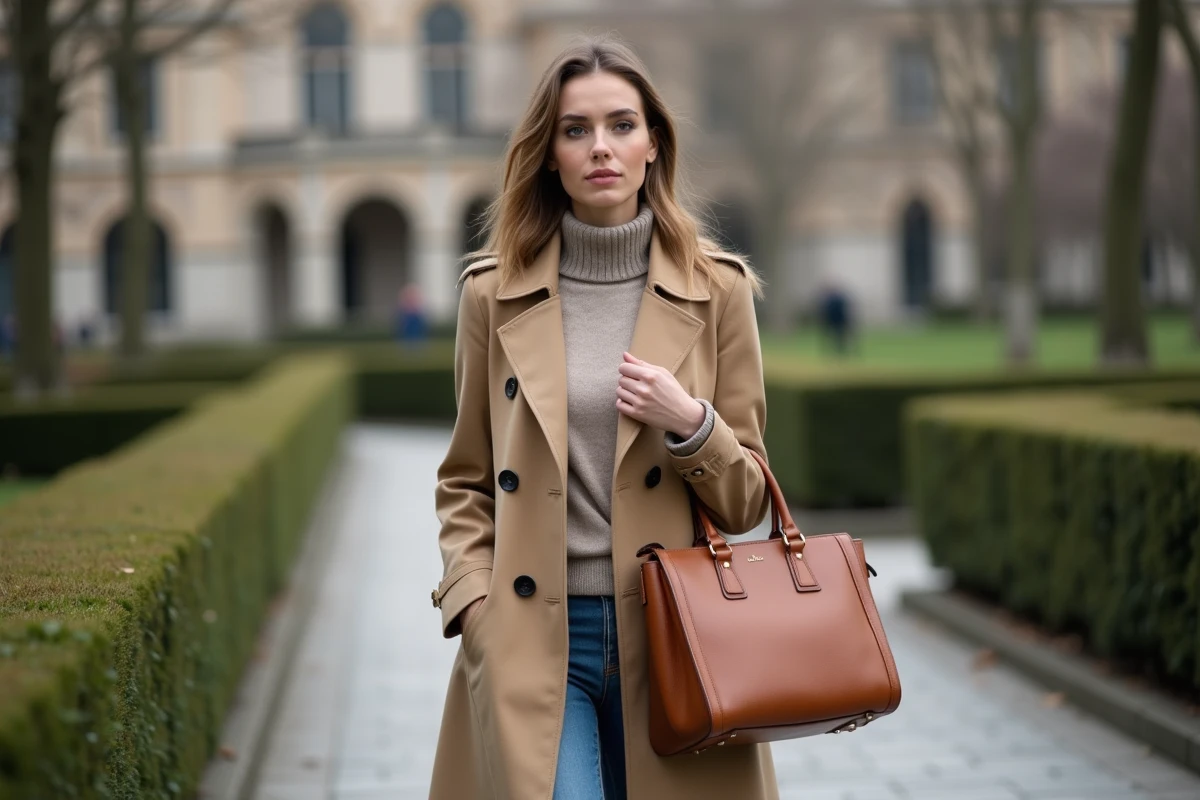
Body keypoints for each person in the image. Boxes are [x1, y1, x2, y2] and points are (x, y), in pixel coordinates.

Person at [429, 36, 777, 800]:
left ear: (654, 142)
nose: (601, 148)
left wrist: (689, 422)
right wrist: (473, 600)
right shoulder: (492, 295)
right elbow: (465, 478)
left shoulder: (718, 290)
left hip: (677, 633)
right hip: (533, 633)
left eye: (622, 125)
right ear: (548, 152)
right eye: (575, 129)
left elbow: (748, 499)